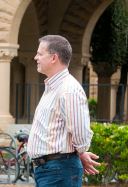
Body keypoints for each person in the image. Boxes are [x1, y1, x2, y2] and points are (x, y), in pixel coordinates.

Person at [27, 35, 100, 187]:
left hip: (59, 170)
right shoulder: (53, 88)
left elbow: (80, 134)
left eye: (40, 54)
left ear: (54, 58)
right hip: (51, 170)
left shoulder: (68, 90)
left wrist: (80, 152)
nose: (35, 57)